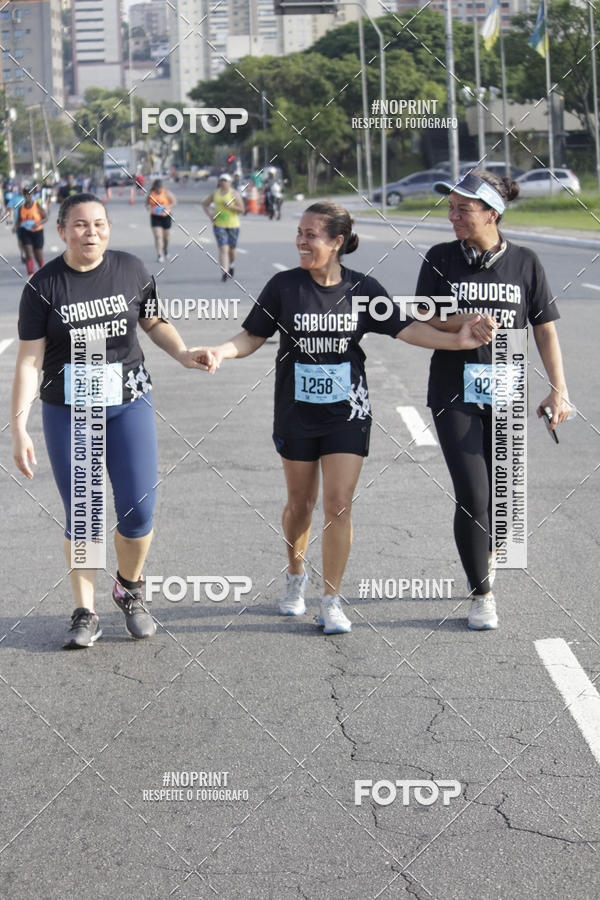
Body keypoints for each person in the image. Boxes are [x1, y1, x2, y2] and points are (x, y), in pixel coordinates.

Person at [204, 201, 493, 634]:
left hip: (348, 413)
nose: (302, 241)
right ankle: (295, 575)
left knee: (339, 504)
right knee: (301, 504)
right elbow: (251, 336)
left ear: (337, 241)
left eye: (311, 235)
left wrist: (458, 340)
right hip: (295, 412)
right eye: (299, 234)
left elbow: (408, 328)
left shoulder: (363, 289)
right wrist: (220, 352)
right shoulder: (284, 286)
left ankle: (332, 600)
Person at [11, 193, 214, 649]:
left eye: (99, 224)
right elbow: (28, 361)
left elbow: (153, 320)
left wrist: (182, 352)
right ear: (61, 230)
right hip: (70, 410)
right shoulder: (43, 287)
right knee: (82, 516)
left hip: (128, 403)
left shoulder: (131, 270)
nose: (91, 232)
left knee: (138, 512)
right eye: (80, 225)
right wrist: (19, 425)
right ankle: (85, 610)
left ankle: (130, 586)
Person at [416, 170, 571, 631]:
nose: (453, 216)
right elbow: (421, 317)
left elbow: (544, 326)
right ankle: (482, 594)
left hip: (505, 388)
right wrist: (460, 319)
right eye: (451, 208)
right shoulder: (441, 257)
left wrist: (558, 388)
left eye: (463, 208)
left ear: (492, 213)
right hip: (453, 391)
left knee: (502, 500)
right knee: (473, 494)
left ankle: (489, 549)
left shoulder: (525, 262)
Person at [202, 173, 245, 282]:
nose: (223, 182)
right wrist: (210, 215)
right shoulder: (215, 194)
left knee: (232, 250)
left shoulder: (234, 194)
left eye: (225, 180)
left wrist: (231, 207)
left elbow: (242, 209)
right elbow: (205, 204)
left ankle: (232, 265)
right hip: (219, 224)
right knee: (223, 248)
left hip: (233, 225)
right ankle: (224, 271)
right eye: (221, 180)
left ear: (230, 182)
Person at [14, 186, 48, 276]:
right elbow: (19, 220)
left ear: (32, 195)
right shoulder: (21, 208)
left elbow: (45, 217)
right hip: (25, 232)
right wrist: (16, 227)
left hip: (37, 232)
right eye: (26, 195)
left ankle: (43, 273)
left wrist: (38, 223)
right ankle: (31, 274)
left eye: (29, 194)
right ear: (23, 195)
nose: (27, 197)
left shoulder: (37, 205)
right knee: (28, 253)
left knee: (38, 255)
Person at [146, 178, 176, 262]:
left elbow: (174, 202)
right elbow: (147, 203)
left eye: (160, 187)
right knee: (158, 236)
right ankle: (159, 254)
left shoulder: (166, 193)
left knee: (166, 237)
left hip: (166, 216)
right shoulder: (151, 194)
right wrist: (148, 207)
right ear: (154, 187)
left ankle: (165, 249)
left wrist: (168, 207)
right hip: (155, 216)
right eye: (157, 187)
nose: (159, 189)